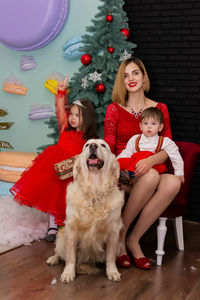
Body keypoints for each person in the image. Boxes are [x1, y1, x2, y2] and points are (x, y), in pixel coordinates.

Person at [104, 57, 182, 269]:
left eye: (135, 73)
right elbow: (109, 148)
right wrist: (116, 174)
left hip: (153, 165)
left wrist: (151, 159)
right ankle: (120, 239)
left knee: (173, 183)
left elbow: (168, 145)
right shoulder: (114, 109)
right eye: (125, 75)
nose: (131, 78)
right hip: (124, 171)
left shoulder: (160, 108)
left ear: (144, 76)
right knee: (151, 176)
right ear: (122, 81)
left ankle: (131, 238)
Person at [10, 76, 98, 242]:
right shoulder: (66, 127)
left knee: (68, 198)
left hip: (74, 171)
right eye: (71, 114)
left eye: (77, 115)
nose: (72, 118)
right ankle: (52, 226)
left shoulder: (89, 139)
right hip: (56, 166)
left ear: (86, 118)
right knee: (54, 195)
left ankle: (66, 224)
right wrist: (61, 92)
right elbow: (60, 109)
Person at [117, 107, 184, 183]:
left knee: (145, 159)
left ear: (160, 127)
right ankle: (127, 177)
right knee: (122, 161)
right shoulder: (135, 139)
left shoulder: (165, 141)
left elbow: (176, 157)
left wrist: (179, 173)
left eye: (153, 123)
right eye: (145, 123)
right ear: (141, 126)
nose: (149, 126)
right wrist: (117, 163)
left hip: (154, 169)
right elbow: (126, 153)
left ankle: (130, 176)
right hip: (137, 169)